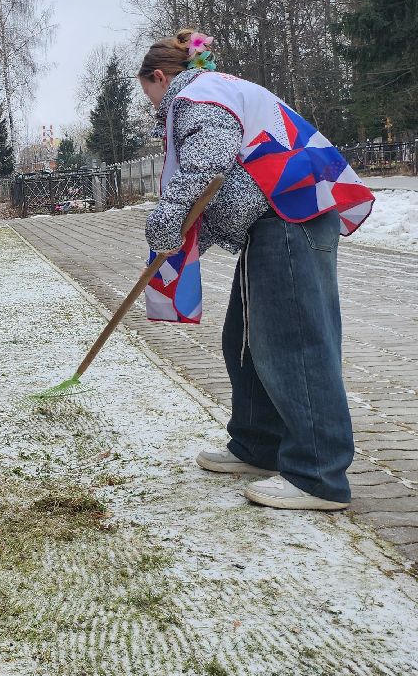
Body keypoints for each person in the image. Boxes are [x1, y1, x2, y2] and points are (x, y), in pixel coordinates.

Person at [138, 30, 374, 512]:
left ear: (161, 77)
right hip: (274, 218)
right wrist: (186, 233)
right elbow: (230, 180)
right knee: (245, 340)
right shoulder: (217, 88)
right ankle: (258, 444)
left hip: (289, 217)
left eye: (151, 97)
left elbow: (210, 161)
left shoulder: (195, 97)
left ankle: (318, 474)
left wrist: (169, 217)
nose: (155, 109)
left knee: (295, 344)